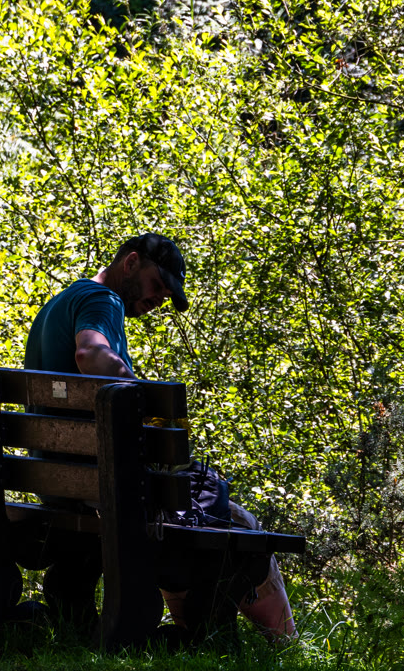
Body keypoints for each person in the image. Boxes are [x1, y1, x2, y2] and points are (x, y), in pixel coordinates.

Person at [24, 234, 295, 638]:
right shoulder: (103, 300)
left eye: (167, 295)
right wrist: (145, 403)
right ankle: (283, 644)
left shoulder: (60, 302)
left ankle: (198, 628)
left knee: (185, 508)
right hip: (101, 487)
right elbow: (90, 354)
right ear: (131, 262)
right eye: (157, 285)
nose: (159, 299)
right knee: (239, 522)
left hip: (56, 482)